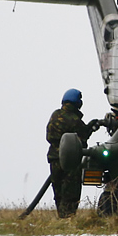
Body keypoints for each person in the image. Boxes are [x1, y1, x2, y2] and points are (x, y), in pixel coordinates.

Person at [45, 89, 97, 218]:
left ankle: (61, 216)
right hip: (70, 159)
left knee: (58, 191)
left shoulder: (55, 115)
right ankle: (68, 218)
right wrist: (91, 127)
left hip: (54, 158)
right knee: (71, 192)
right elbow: (82, 138)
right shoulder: (74, 119)